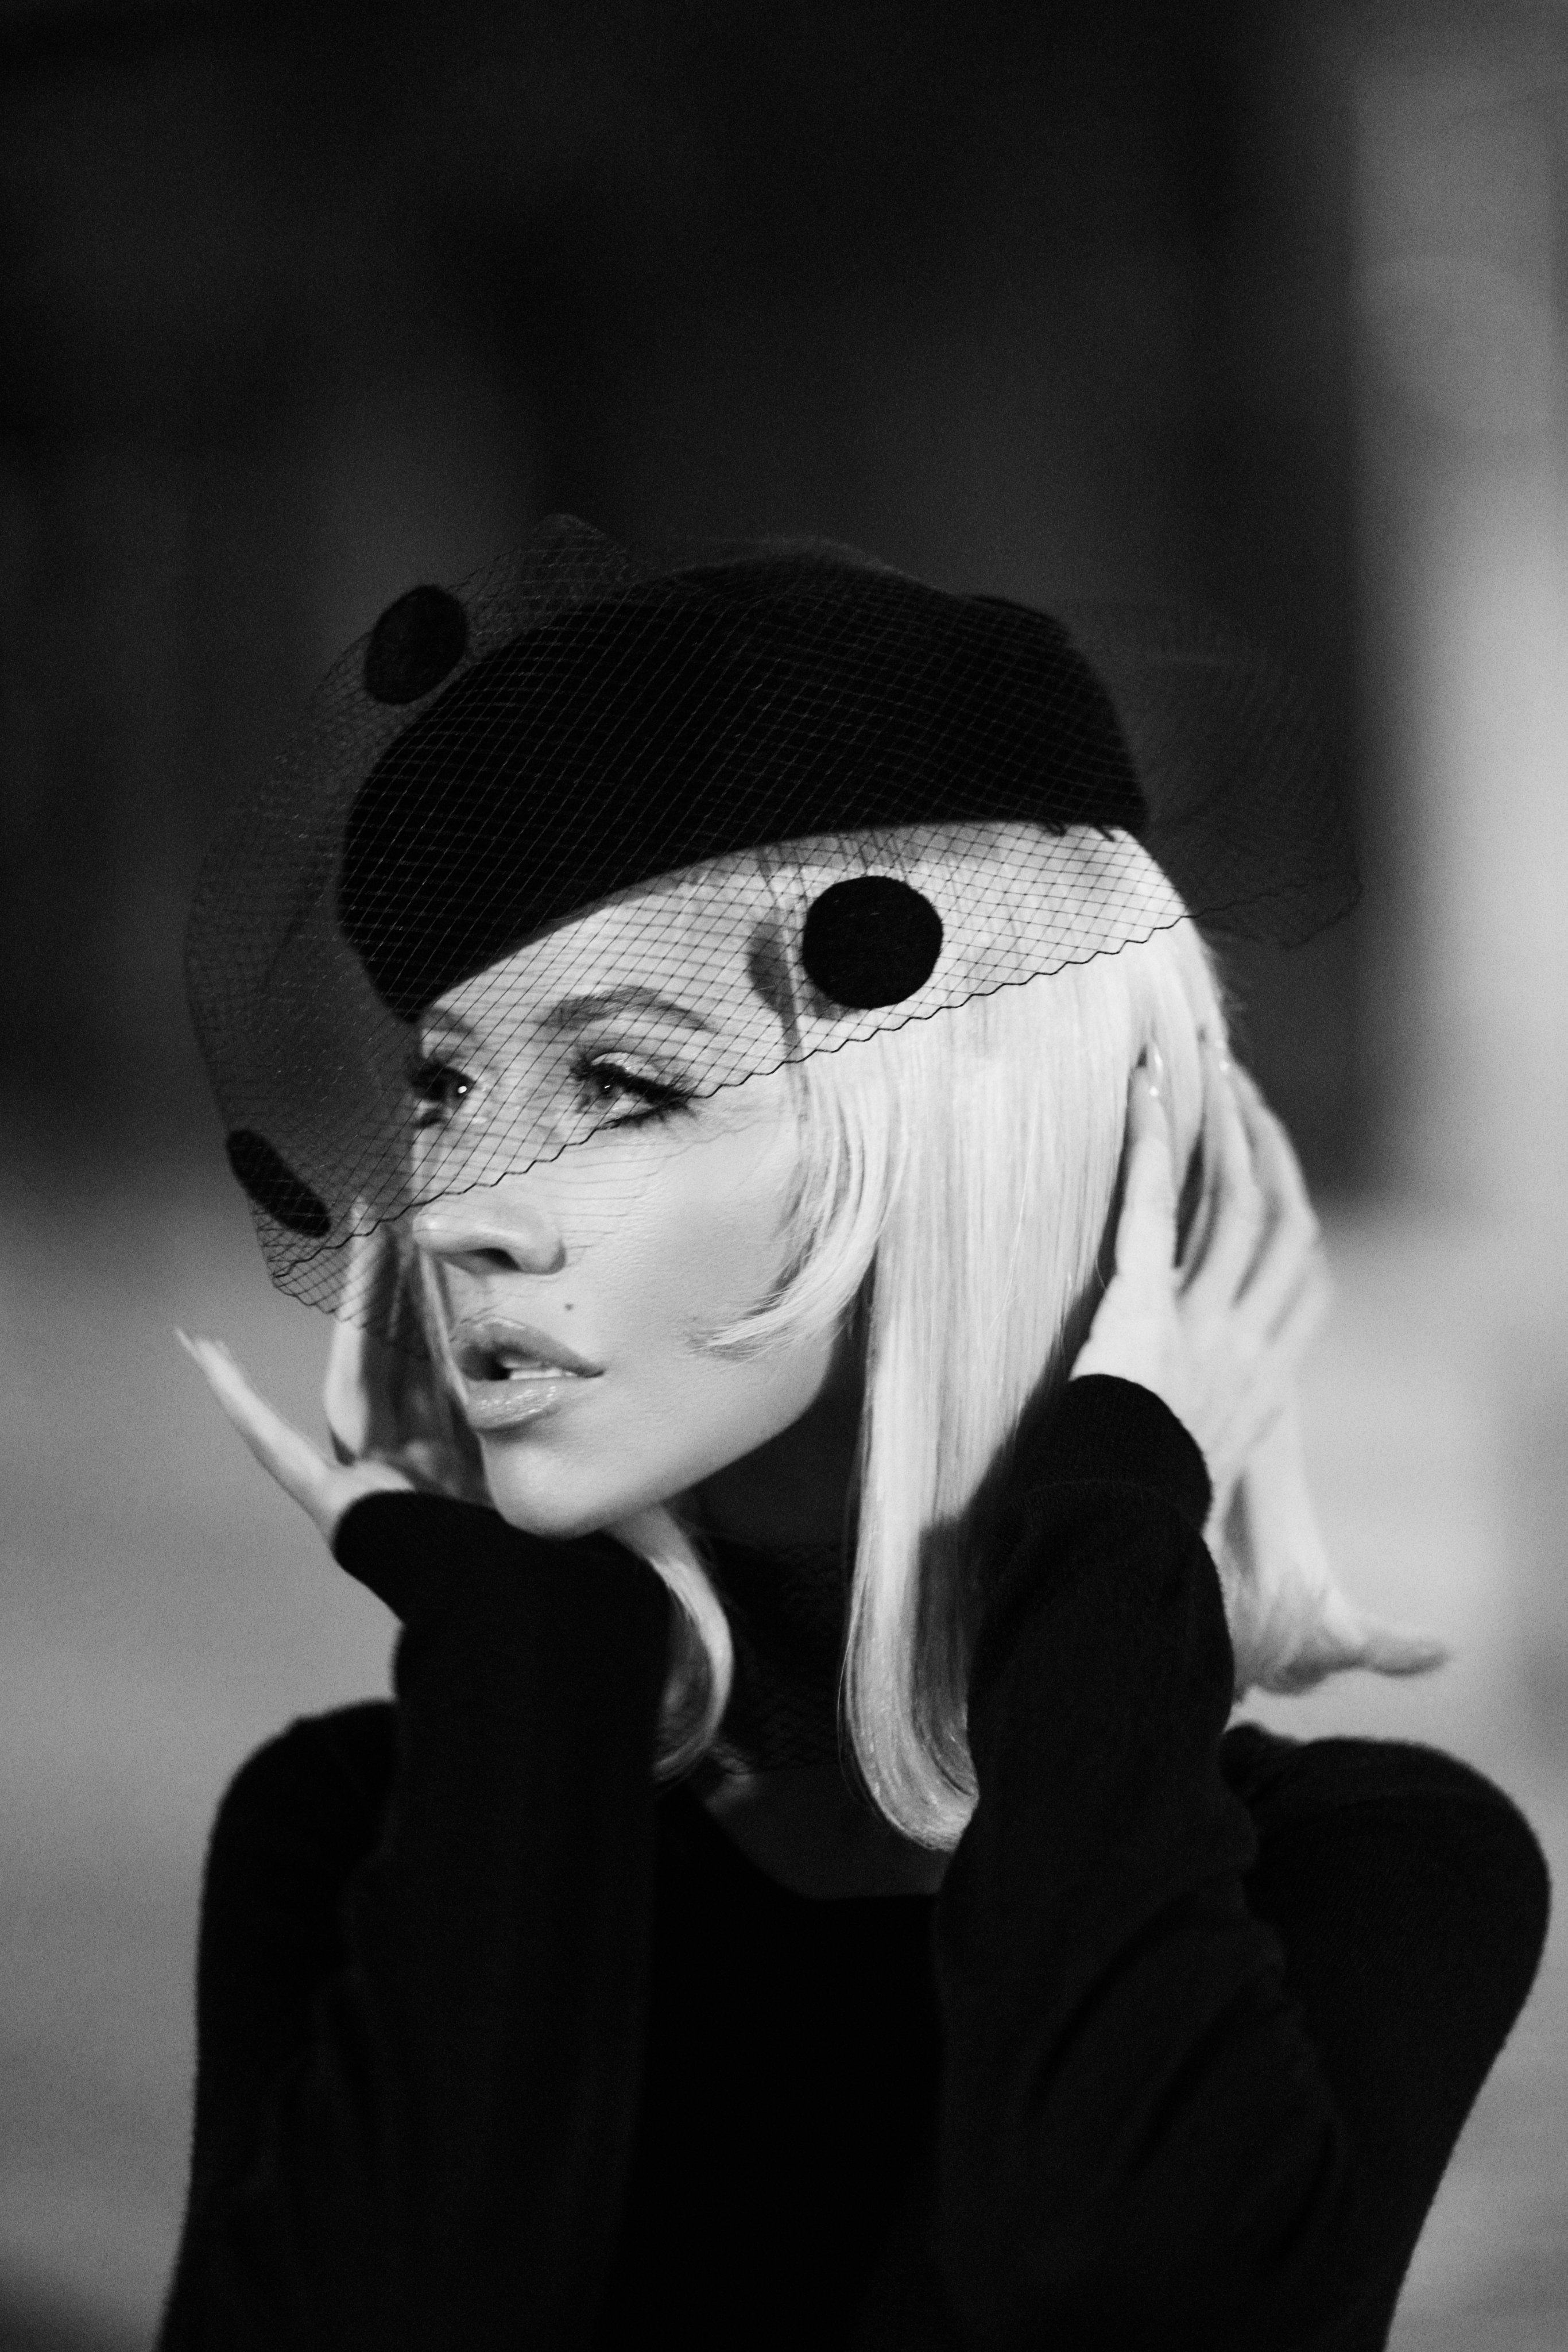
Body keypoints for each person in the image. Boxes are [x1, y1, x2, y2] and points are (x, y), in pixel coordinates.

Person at [161, 522, 1550, 2350]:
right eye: (447, 1083)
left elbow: (1125, 2299)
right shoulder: (360, 1830)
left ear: (970, 1139)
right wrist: (527, 1667)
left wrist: (1106, 1522)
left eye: (623, 1081)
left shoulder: (1371, 1872)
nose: (461, 1210)